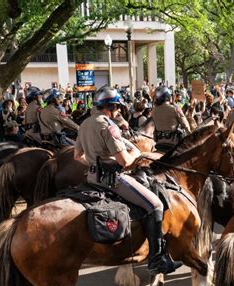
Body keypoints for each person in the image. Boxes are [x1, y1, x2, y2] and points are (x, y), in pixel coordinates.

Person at [74, 87, 182, 275]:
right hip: (113, 180)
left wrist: (95, 164)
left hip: (92, 178)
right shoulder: (109, 126)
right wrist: (136, 154)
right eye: (117, 108)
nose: (118, 111)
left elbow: (77, 156)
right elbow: (124, 161)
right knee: (155, 205)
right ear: (112, 106)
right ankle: (156, 260)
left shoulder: (85, 124)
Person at [151, 86, 191, 151]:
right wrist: (190, 137)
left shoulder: (154, 111)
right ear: (168, 96)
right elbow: (186, 126)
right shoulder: (175, 109)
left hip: (159, 143)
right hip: (174, 144)